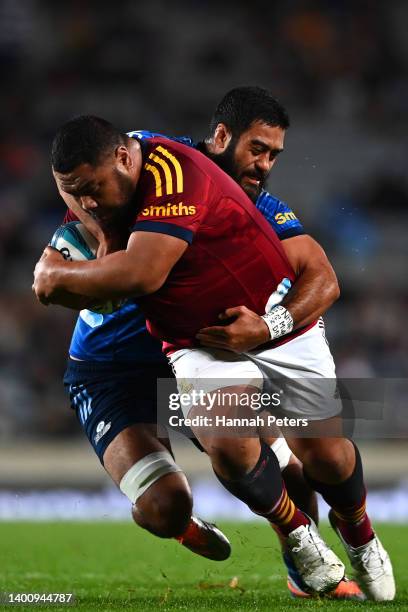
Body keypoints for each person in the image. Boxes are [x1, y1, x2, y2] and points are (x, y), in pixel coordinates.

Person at [33, 96, 394, 599]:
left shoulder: (254, 209)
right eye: (257, 150)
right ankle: (186, 523)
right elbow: (79, 184)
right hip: (112, 368)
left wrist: (268, 327)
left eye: (274, 156)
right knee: (165, 507)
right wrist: (78, 256)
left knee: (290, 463)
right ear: (220, 139)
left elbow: (320, 276)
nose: (263, 166)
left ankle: (303, 558)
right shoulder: (128, 183)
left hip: (190, 349)